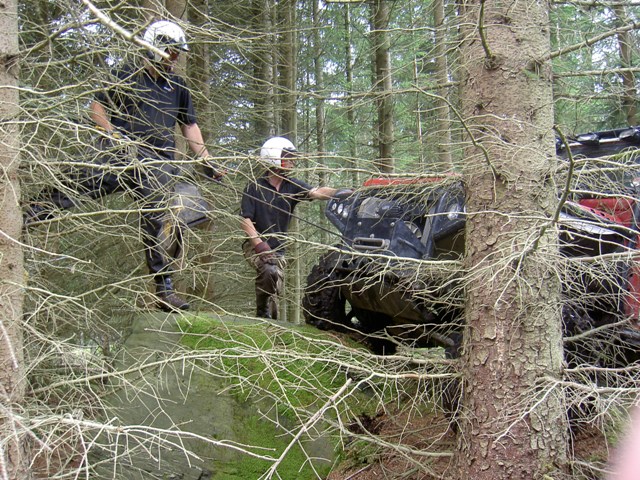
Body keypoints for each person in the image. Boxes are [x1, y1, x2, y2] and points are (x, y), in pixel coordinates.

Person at [26, 20, 223, 312]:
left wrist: (206, 159)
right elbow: (98, 107)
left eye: (177, 53)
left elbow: (189, 125)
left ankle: (164, 288)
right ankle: (28, 214)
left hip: (157, 163)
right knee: (78, 182)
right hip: (121, 156)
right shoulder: (126, 74)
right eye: (171, 52)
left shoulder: (178, 87)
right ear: (155, 48)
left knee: (164, 215)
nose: (175, 58)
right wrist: (113, 135)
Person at [240, 136, 348, 319]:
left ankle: (269, 319)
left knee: (274, 288)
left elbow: (316, 192)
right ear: (274, 158)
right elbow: (245, 220)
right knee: (268, 270)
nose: (292, 162)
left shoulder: (291, 186)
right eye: (288, 158)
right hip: (255, 245)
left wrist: (339, 193)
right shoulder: (254, 187)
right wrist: (259, 245)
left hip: (278, 248)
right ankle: (262, 312)